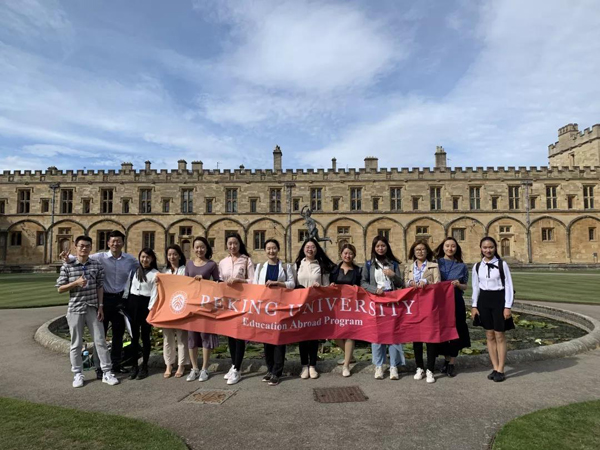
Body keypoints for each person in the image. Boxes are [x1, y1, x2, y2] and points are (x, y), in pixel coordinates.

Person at [61, 229, 138, 377]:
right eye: (113, 241)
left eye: (118, 241)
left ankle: (116, 364)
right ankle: (99, 368)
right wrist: (67, 257)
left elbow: (144, 265)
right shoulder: (99, 257)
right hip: (103, 300)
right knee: (99, 336)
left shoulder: (130, 260)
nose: (115, 244)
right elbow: (82, 256)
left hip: (121, 300)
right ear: (108, 243)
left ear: (123, 243)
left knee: (118, 335)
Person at [56, 235, 119, 388]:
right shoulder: (67, 266)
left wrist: (101, 306)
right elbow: (60, 288)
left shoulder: (96, 265)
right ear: (76, 247)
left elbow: (100, 287)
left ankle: (106, 372)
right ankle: (78, 373)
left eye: (87, 246)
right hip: (75, 308)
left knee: (100, 341)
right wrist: (76, 283)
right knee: (76, 343)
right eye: (81, 246)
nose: (84, 248)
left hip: (93, 307)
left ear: (91, 248)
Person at [361, 235, 405, 380]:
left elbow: (400, 284)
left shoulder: (394, 264)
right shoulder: (369, 264)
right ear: (374, 248)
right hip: (376, 302)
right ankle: (378, 365)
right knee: (377, 334)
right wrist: (375, 290)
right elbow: (363, 283)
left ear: (387, 247)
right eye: (378, 246)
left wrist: (393, 275)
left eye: (383, 246)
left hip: (391, 302)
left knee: (393, 334)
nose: (380, 248)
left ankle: (393, 366)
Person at [471, 236, 515, 383]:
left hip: (498, 300)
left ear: (495, 248)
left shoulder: (502, 264)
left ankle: (501, 369)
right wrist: (474, 306)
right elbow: (475, 287)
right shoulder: (477, 266)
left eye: (490, 247)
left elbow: (509, 285)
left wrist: (507, 306)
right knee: (489, 335)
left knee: (499, 335)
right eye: (485, 247)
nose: (488, 250)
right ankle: (495, 367)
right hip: (484, 300)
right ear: (481, 249)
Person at [253, 239, 295, 386]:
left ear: (278, 249)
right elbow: (255, 286)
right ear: (265, 250)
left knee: (279, 340)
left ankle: (277, 372)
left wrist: (278, 283)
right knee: (267, 340)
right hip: (265, 308)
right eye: (269, 248)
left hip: (280, 307)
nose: (271, 251)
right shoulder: (260, 267)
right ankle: (270, 369)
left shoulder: (285, 267)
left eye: (274, 248)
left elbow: (292, 284)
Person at [295, 238, 335, 379]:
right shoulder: (297, 264)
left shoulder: (321, 266)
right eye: (307, 246)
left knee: (313, 336)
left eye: (312, 247)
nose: (310, 249)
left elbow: (327, 287)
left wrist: (321, 287)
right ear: (303, 249)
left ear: (317, 249)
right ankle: (304, 366)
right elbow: (293, 284)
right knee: (302, 336)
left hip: (315, 305)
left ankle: (312, 365)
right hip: (301, 304)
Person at [219, 233, 255, 385]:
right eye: (230, 244)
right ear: (226, 245)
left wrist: (240, 280)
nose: (232, 246)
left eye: (235, 243)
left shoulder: (246, 260)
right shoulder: (223, 262)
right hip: (228, 303)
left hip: (242, 302)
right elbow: (220, 281)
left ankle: (237, 368)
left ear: (240, 244)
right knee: (230, 335)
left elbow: (253, 281)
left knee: (239, 335)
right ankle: (234, 364)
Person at [184, 237, 221, 382]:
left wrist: (205, 281)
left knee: (206, 335)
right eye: (197, 247)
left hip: (206, 305)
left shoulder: (212, 264)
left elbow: (218, 283)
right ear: (193, 248)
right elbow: (184, 284)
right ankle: (194, 368)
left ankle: (205, 368)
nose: (199, 250)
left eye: (202, 247)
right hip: (192, 305)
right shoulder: (189, 264)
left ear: (206, 248)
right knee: (192, 337)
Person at [405, 239, 441, 384]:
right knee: (417, 338)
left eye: (423, 249)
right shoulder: (409, 267)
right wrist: (409, 283)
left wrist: (426, 282)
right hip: (414, 306)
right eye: (417, 250)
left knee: (430, 337)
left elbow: (438, 284)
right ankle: (419, 367)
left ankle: (430, 369)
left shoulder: (433, 266)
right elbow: (404, 284)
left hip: (429, 305)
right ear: (413, 252)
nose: (420, 252)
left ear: (427, 251)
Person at [435, 237, 471, 377]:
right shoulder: (435, 263)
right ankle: (446, 358)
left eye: (453, 246)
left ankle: (451, 362)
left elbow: (465, 286)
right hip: (440, 301)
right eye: (447, 246)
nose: (450, 248)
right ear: (443, 247)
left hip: (456, 300)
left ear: (457, 248)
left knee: (456, 329)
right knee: (442, 329)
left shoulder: (461, 266)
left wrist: (458, 284)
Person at [123, 248, 159, 380]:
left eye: (147, 257)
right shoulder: (134, 270)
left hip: (145, 305)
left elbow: (155, 293)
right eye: (143, 257)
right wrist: (124, 301)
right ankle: (134, 366)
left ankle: (144, 366)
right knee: (134, 337)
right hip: (133, 304)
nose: (145, 259)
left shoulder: (155, 274)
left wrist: (150, 309)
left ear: (152, 259)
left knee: (145, 337)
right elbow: (127, 286)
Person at [330, 243, 362, 377]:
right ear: (341, 254)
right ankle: (350, 356)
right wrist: (331, 285)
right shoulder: (334, 270)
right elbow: (329, 285)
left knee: (349, 333)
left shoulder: (358, 271)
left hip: (352, 306)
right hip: (337, 306)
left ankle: (346, 365)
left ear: (354, 255)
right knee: (334, 334)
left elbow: (362, 286)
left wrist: (357, 288)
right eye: (345, 253)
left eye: (350, 253)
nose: (348, 256)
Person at [159, 245, 189, 378]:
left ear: (180, 255)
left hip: (181, 306)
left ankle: (181, 364)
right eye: (170, 254)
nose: (172, 257)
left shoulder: (185, 270)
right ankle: (169, 364)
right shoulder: (164, 272)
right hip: (167, 307)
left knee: (182, 337)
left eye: (175, 254)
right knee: (167, 337)